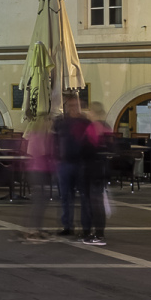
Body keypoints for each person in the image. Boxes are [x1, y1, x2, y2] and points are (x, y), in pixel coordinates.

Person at [53, 93, 93, 238]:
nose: (73, 108)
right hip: (64, 164)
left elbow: (91, 142)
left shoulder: (85, 122)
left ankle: (86, 227)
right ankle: (67, 226)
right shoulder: (60, 122)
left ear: (80, 106)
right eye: (70, 105)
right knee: (65, 197)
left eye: (75, 105)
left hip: (82, 164)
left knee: (84, 197)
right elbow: (54, 140)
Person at [81, 102, 111, 245]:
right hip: (102, 169)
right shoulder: (106, 126)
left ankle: (99, 235)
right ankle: (98, 233)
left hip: (93, 169)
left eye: (90, 111)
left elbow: (86, 148)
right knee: (97, 202)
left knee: (95, 203)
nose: (88, 113)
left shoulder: (94, 127)